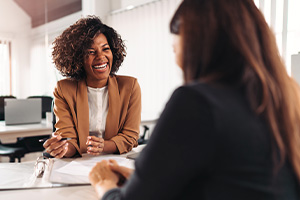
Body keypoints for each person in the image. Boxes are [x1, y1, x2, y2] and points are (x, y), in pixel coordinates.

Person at [89, 0, 300, 199]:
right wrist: (148, 180)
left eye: (176, 37)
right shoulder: (284, 98)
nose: (174, 50)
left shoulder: (198, 103)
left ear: (197, 42)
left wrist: (104, 184)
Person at [43, 16, 141, 158]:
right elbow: (68, 139)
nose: (101, 57)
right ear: (77, 59)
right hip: (78, 164)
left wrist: (104, 146)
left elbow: (130, 137)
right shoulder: (64, 89)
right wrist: (62, 148)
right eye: (91, 52)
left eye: (105, 49)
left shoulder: (130, 86)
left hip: (116, 161)